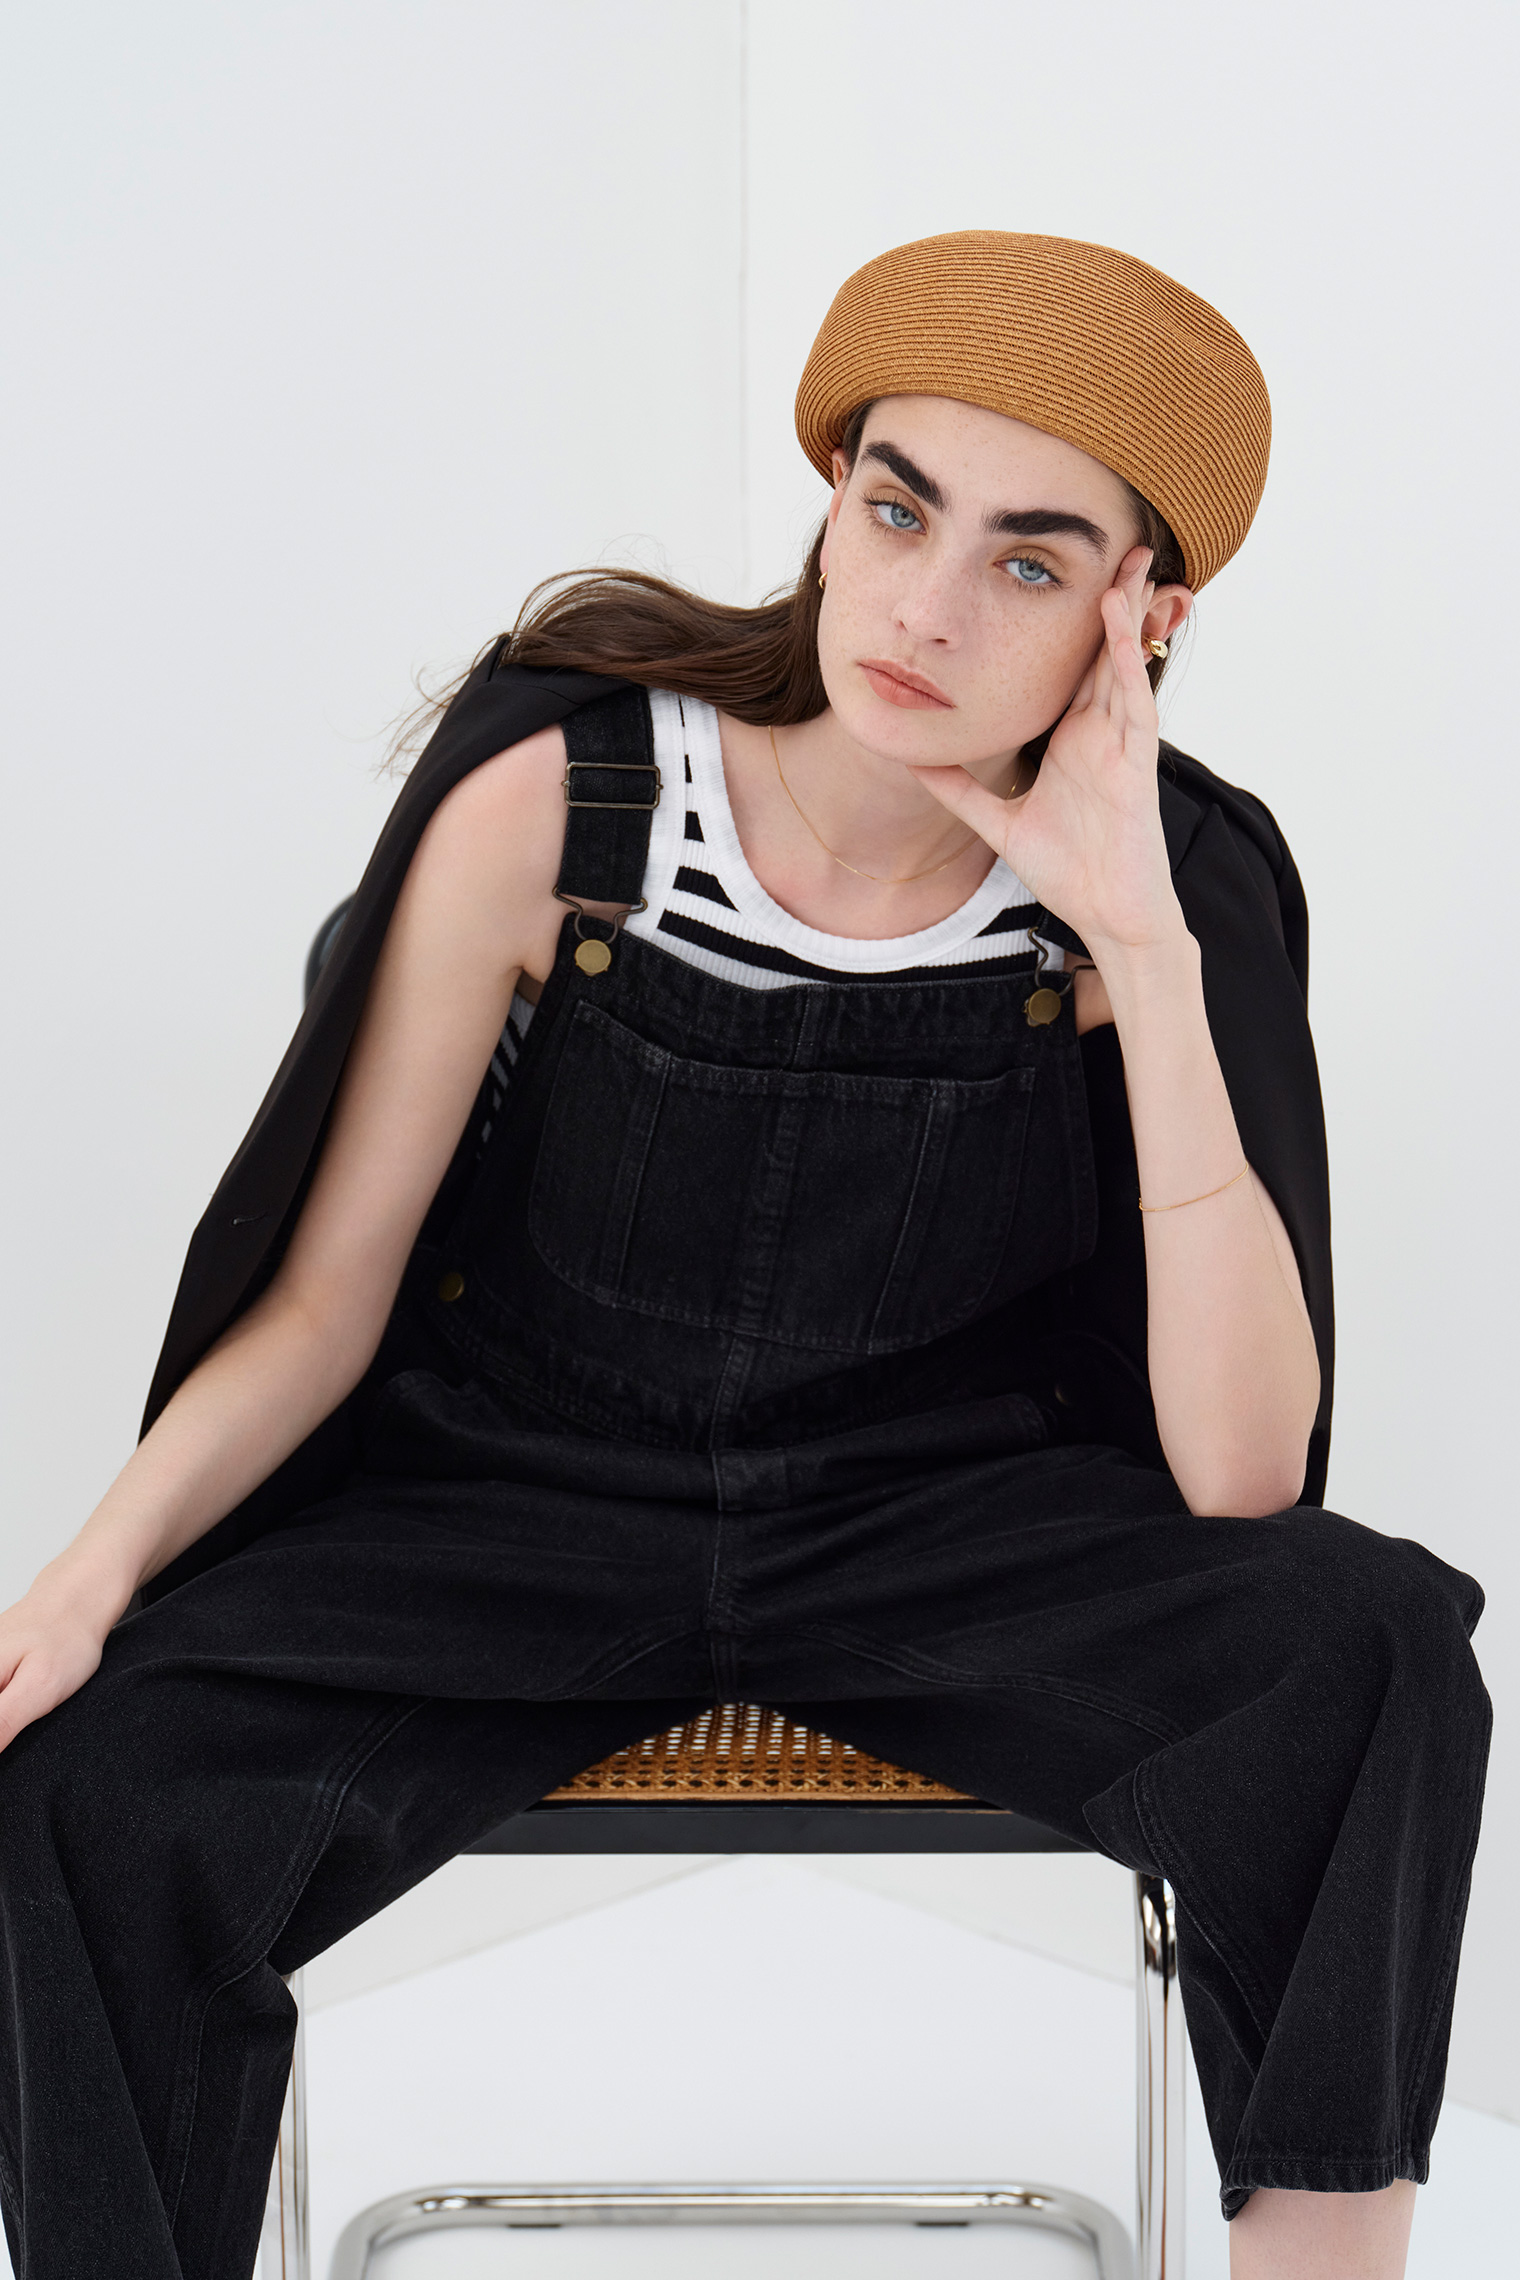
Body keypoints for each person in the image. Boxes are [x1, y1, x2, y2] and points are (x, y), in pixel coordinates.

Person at [0, 232, 1489, 2280]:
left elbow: (1241, 1481)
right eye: (898, 508)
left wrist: (1140, 947)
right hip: (518, 1514)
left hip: (947, 1536)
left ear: (1145, 614)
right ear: (832, 493)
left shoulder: (1177, 886)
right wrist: (87, 1578)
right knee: (86, 1783)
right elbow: (326, 1297)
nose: (928, 607)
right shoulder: (562, 799)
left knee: (1375, 1650)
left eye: (1031, 562)